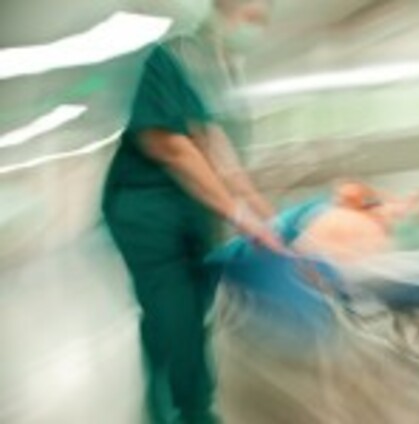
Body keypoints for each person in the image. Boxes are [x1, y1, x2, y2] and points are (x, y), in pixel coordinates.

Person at [102, 1, 279, 423]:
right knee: (177, 310)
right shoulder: (175, 54)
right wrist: (239, 214)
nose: (256, 28)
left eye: (262, 20)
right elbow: (169, 145)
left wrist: (267, 215)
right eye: (251, 17)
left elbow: (218, 150)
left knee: (186, 309)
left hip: (191, 209)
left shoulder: (218, 69)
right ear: (224, 9)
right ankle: (193, 410)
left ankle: (160, 381)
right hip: (147, 210)